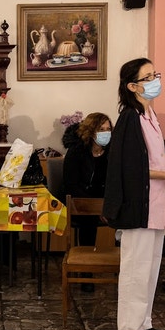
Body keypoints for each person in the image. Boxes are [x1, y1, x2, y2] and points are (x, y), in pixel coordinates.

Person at [103, 58, 165, 330]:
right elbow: (131, 168)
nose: (155, 79)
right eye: (148, 76)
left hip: (155, 203)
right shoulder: (130, 118)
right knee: (136, 268)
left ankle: (143, 323)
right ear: (133, 86)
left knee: (151, 266)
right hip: (137, 206)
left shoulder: (150, 115)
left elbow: (153, 160)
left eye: (156, 73)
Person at [63, 112, 112, 293]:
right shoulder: (76, 152)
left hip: (105, 200)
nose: (106, 133)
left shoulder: (112, 152)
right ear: (91, 131)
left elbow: (115, 182)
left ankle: (122, 267)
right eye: (101, 129)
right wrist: (95, 207)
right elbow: (71, 185)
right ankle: (87, 271)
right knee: (89, 220)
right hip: (80, 200)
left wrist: (107, 205)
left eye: (108, 129)